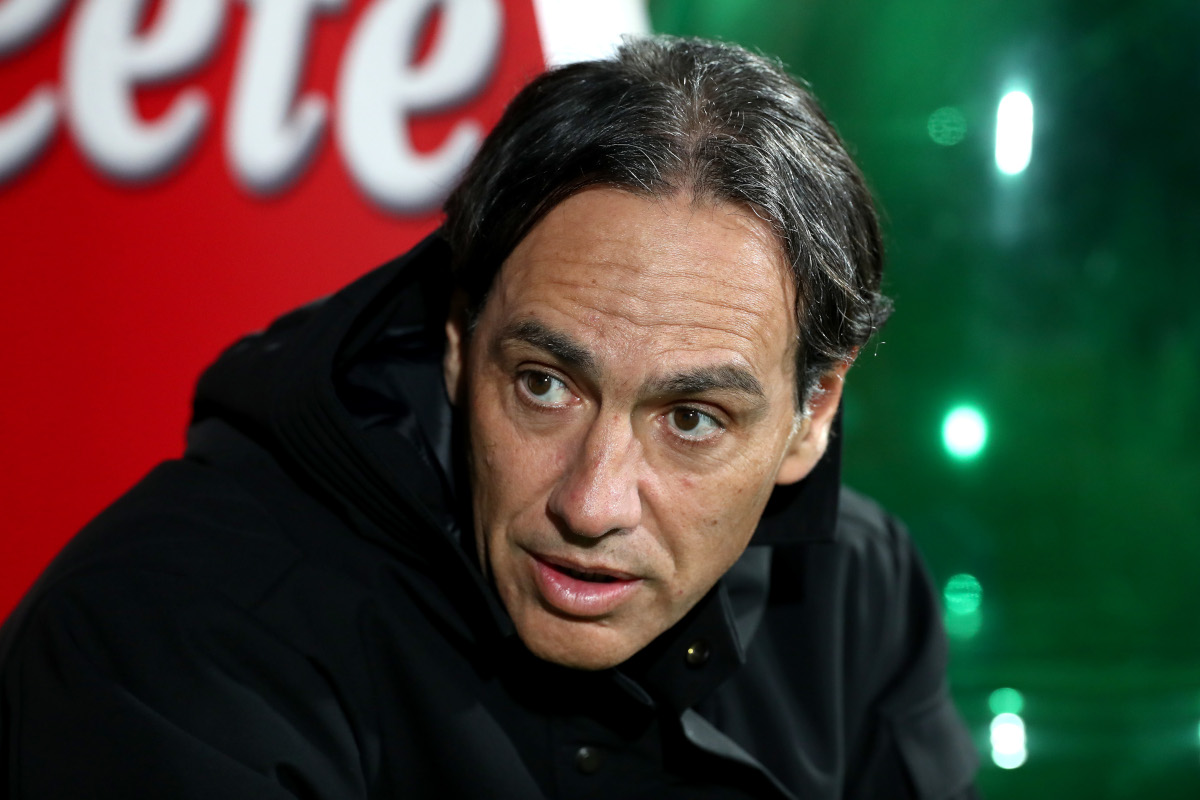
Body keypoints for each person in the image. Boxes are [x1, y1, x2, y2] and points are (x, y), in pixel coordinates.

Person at [0, 36, 978, 798]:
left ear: (813, 413)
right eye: (547, 384)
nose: (592, 503)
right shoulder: (165, 628)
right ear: (461, 340)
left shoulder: (860, 593)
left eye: (690, 417)